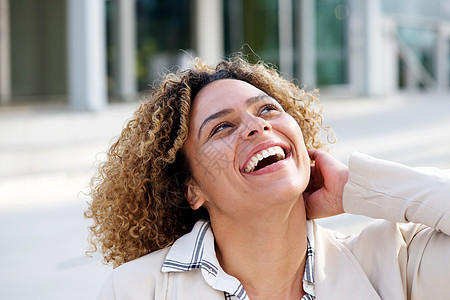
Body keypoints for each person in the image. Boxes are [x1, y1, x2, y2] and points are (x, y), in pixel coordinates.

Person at [85, 55, 450, 300]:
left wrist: (358, 187)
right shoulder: (136, 289)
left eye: (268, 109)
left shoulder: (393, 262)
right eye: (221, 127)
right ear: (191, 189)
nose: (257, 126)